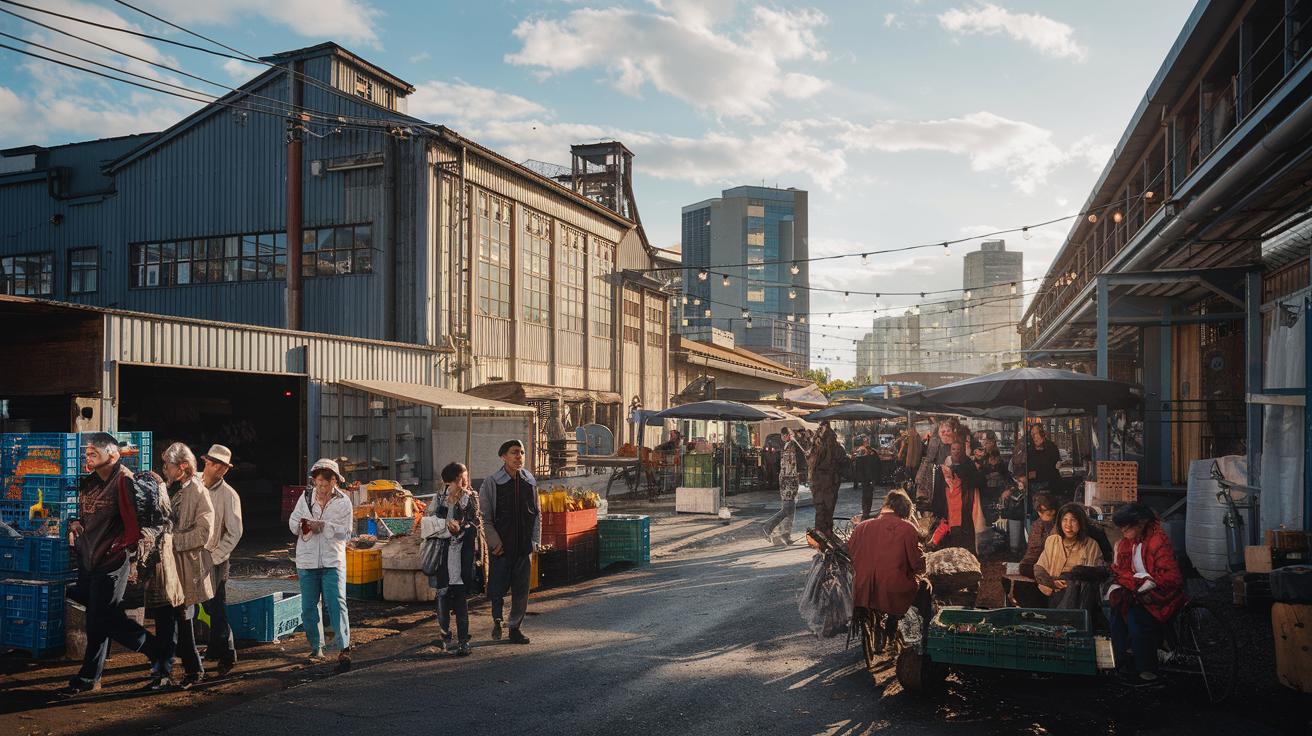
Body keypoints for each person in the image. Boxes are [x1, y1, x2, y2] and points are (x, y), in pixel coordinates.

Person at [58, 433, 165, 697]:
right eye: (88, 453)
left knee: (100, 620)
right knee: (103, 619)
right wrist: (75, 525)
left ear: (113, 455)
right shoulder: (90, 482)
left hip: (113, 563)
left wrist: (125, 552)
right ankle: (155, 652)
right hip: (88, 560)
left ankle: (92, 675)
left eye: (95, 452)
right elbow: (84, 513)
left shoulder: (124, 481)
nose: (89, 456)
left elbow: (133, 525)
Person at [143, 442, 215, 691]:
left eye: (168, 465)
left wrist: (174, 541)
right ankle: (162, 672)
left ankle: (193, 670)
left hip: (185, 566)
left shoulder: (197, 491)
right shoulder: (171, 488)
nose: (165, 469)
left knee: (183, 622)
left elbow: (205, 532)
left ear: (182, 466)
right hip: (168, 565)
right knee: (165, 620)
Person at [1108, 502, 1186, 689]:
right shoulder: (1127, 543)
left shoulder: (1158, 540)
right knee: (1116, 613)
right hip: (1139, 593)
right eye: (1121, 527)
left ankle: (1148, 671)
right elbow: (1122, 570)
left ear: (1141, 522)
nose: (1123, 530)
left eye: (1127, 526)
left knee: (1137, 619)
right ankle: (1122, 664)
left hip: (1163, 595)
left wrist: (1141, 583)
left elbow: (1172, 578)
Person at [289, 459, 354, 672]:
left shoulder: (344, 501)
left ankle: (344, 646)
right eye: (318, 484)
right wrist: (304, 525)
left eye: (326, 484)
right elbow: (292, 523)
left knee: (336, 603)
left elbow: (346, 532)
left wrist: (324, 526)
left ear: (334, 481)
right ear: (314, 481)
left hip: (332, 561)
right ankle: (316, 647)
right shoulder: (306, 497)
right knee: (308, 606)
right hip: (307, 560)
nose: (322, 488)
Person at [848, 489, 927, 648]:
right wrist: (922, 568)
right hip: (893, 588)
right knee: (925, 591)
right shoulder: (907, 528)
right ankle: (918, 640)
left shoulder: (861, 527)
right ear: (905, 510)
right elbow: (916, 564)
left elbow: (851, 554)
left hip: (860, 586)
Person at [479, 440, 540, 644]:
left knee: (521, 590)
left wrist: (534, 541)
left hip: (523, 546)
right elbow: (484, 518)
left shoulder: (529, 480)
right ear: (503, 456)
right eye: (514, 452)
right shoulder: (492, 482)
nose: (519, 456)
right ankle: (497, 619)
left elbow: (536, 514)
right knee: (497, 588)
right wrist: (494, 542)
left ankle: (515, 628)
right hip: (501, 547)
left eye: (522, 452)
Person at [425, 462, 486, 657]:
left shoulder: (470, 498)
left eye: (464, 478)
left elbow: (476, 524)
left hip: (461, 556)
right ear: (450, 481)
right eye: (461, 479)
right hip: (442, 556)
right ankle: (444, 636)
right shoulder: (439, 498)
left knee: (460, 599)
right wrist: (443, 524)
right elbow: (429, 520)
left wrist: (461, 528)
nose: (464, 483)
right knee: (442, 596)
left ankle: (463, 641)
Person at [200, 444, 242, 676]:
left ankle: (227, 652)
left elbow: (234, 532)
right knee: (201, 606)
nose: (219, 469)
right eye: (214, 463)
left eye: (223, 466)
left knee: (216, 606)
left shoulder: (229, 495)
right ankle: (215, 649)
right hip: (192, 555)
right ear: (207, 462)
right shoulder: (194, 485)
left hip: (215, 559)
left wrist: (215, 557)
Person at [1034, 503, 1105, 613]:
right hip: (1054, 591)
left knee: (1073, 583)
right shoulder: (1052, 541)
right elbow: (1039, 568)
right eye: (1064, 520)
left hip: (1080, 597)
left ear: (1080, 523)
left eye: (1073, 520)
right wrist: (1051, 582)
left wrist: (1074, 578)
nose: (1068, 525)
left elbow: (1098, 574)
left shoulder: (1091, 545)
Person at [930, 443, 985, 554]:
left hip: (963, 508)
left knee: (963, 538)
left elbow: (977, 482)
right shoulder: (943, 466)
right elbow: (938, 491)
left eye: (958, 449)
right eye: (953, 449)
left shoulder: (967, 464)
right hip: (950, 507)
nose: (956, 452)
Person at [1009, 492, 1059, 608]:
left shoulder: (1060, 524)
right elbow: (1034, 550)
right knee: (1027, 568)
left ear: (1053, 510)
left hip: (1053, 562)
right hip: (1033, 563)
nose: (1042, 514)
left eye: (1045, 510)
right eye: (1040, 511)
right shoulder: (1037, 525)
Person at [763, 427, 805, 545]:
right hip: (788, 481)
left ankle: (785, 535)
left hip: (789, 480)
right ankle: (768, 527)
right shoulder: (789, 446)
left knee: (791, 510)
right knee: (788, 508)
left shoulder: (790, 445)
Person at [807, 422, 845, 537]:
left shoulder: (817, 446)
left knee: (820, 507)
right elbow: (842, 460)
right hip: (830, 481)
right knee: (828, 507)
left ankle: (820, 533)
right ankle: (826, 531)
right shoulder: (835, 446)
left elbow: (811, 462)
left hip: (819, 481)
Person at [914, 421, 957, 505]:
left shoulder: (955, 442)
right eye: (943, 431)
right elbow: (929, 459)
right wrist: (921, 475)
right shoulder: (935, 441)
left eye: (948, 431)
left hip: (951, 475)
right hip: (938, 474)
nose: (945, 433)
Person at [974, 436, 1014, 525]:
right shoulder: (981, 463)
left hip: (998, 495)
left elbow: (1009, 479)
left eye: (989, 443)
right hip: (985, 495)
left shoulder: (1001, 464)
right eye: (986, 443)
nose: (993, 461)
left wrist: (1008, 490)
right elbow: (978, 480)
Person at [1026, 425, 1062, 496]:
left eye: (1035, 434)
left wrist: (1036, 474)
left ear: (1042, 434)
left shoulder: (1051, 447)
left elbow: (1053, 467)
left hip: (1049, 486)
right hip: (1032, 486)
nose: (1033, 437)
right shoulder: (1030, 449)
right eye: (1032, 435)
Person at [852, 435, 881, 518]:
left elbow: (876, 464)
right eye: (865, 441)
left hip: (868, 476)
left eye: (866, 440)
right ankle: (866, 512)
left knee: (868, 494)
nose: (866, 442)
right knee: (867, 494)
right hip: (866, 477)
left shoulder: (871, 452)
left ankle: (866, 512)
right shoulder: (862, 451)